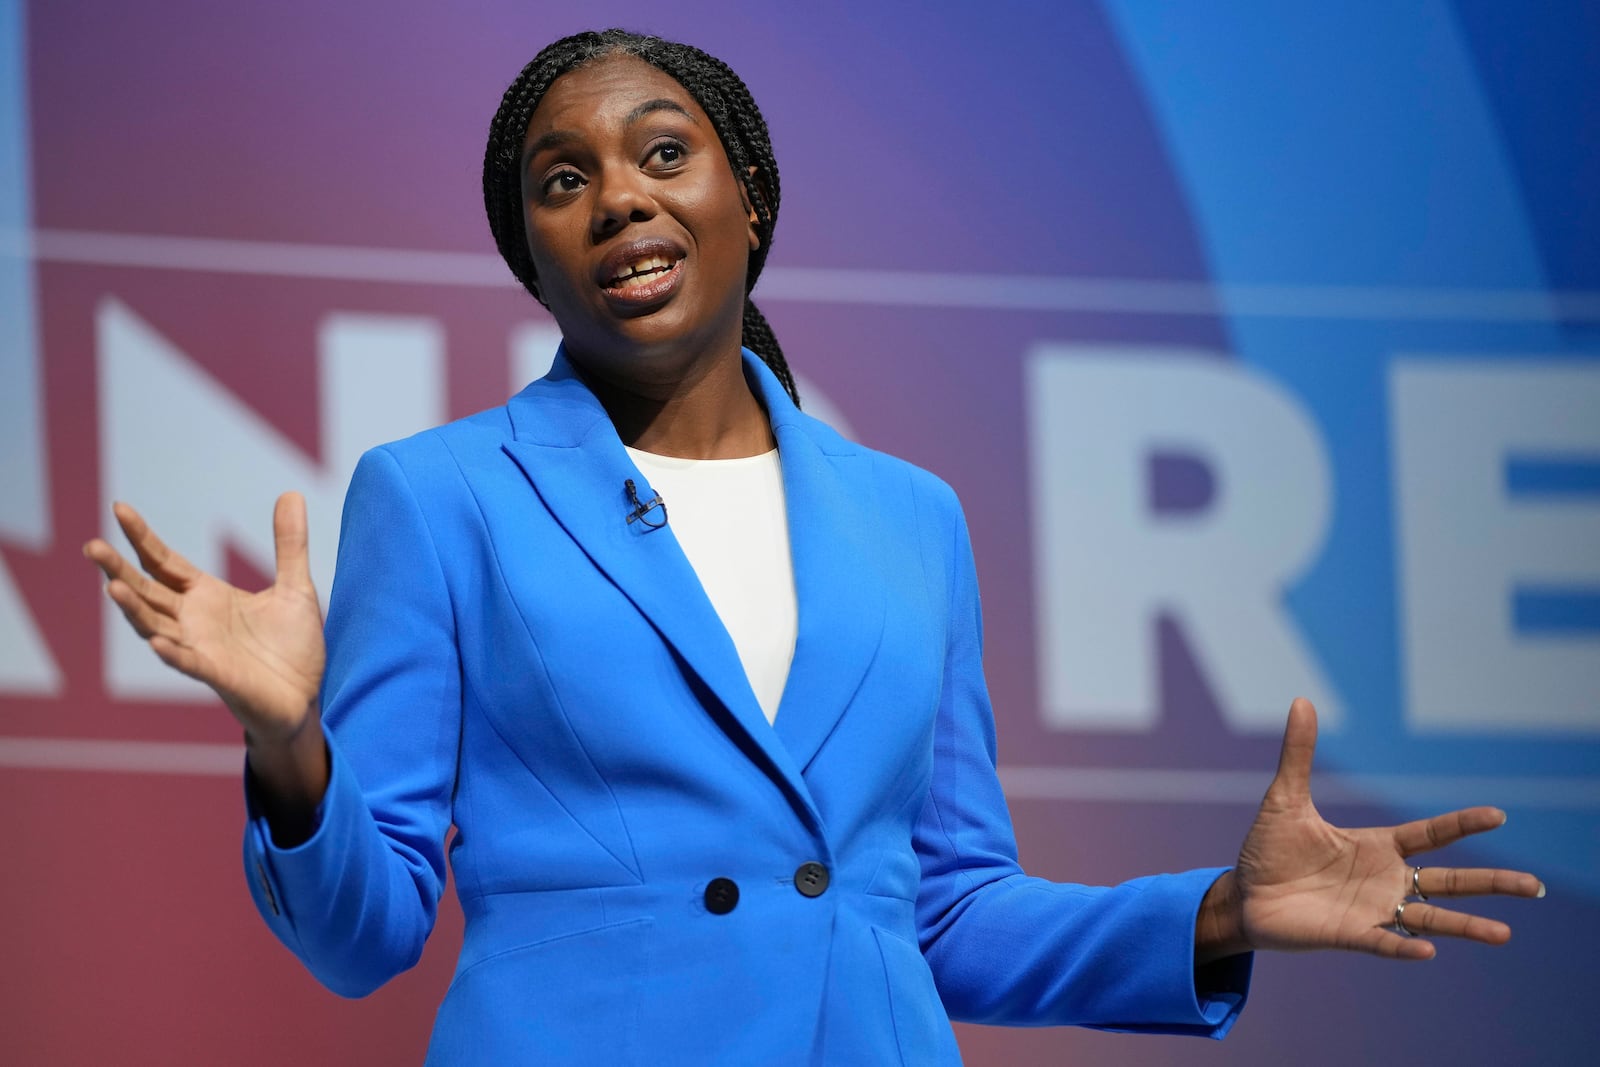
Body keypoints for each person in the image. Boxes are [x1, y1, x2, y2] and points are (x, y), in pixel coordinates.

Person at [83, 28, 1543, 1066]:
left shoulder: (913, 515)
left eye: (665, 153)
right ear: (531, 254)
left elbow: (950, 914)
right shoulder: (441, 495)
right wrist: (291, 753)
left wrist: (1220, 913)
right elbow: (361, 937)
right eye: (562, 180)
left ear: (752, 199)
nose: (622, 199)